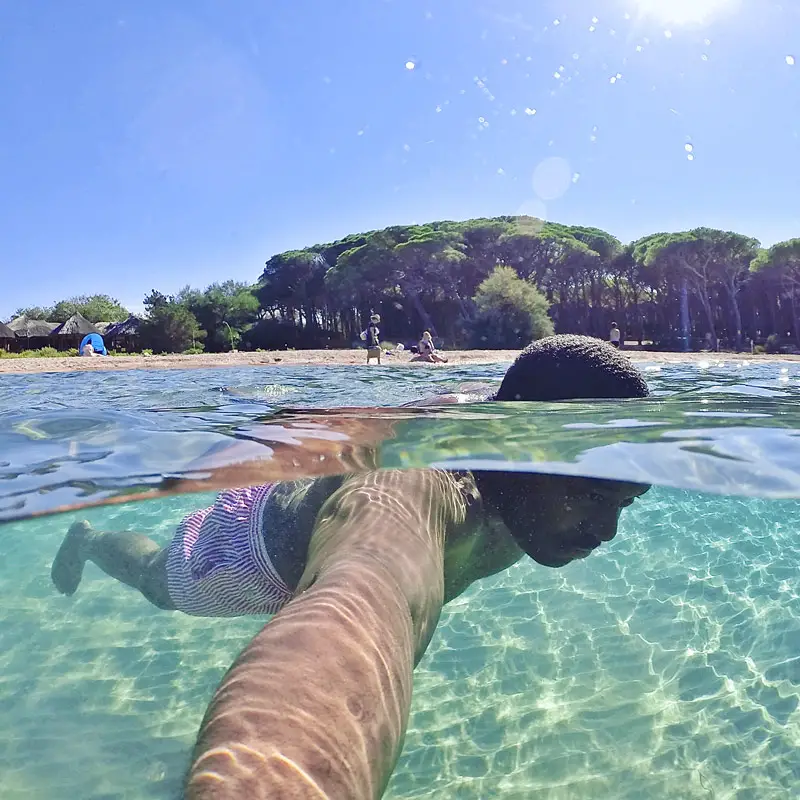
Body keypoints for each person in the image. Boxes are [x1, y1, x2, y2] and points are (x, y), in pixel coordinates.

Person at [50, 334, 651, 799]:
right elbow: (360, 601)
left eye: (622, 503)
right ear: (520, 450)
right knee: (160, 583)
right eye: (594, 497)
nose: (606, 531)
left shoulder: (527, 481)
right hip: (252, 547)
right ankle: (91, 535)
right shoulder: (418, 486)